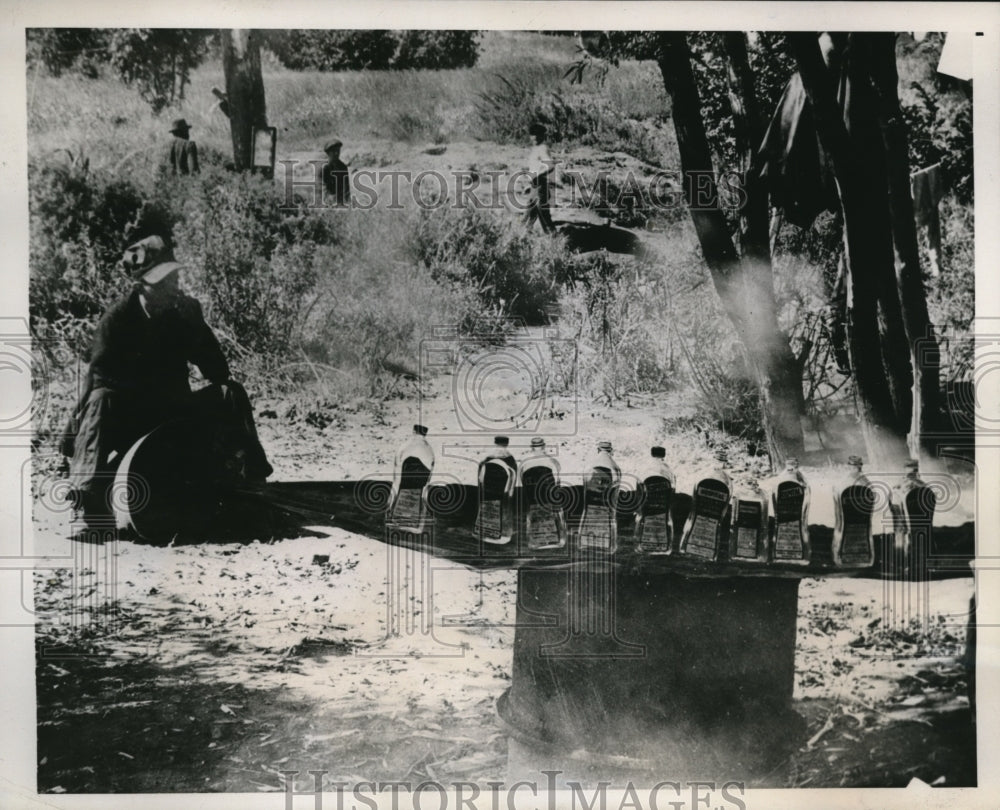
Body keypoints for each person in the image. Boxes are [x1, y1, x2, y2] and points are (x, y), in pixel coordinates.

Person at [63, 235, 272, 533]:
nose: (171, 288)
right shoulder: (117, 321)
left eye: (173, 278)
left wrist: (195, 326)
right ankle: (88, 506)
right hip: (132, 418)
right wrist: (72, 438)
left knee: (230, 393)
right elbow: (95, 385)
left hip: (175, 412)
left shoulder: (184, 312)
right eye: (161, 282)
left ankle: (253, 485)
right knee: (101, 399)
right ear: (140, 285)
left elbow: (217, 371)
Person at [524, 122, 556, 233]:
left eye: (538, 134)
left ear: (543, 135)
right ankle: (524, 239)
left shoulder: (542, 148)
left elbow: (550, 165)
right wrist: (529, 183)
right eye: (533, 134)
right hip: (534, 186)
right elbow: (534, 168)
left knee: (543, 216)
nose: (535, 137)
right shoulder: (535, 149)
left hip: (540, 186)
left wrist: (537, 176)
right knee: (530, 215)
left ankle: (555, 240)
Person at [322, 139, 350, 206]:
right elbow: (322, 187)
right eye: (334, 151)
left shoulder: (343, 167)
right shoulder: (325, 167)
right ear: (328, 153)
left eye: (338, 151)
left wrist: (347, 200)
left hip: (340, 199)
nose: (336, 153)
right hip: (327, 199)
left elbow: (346, 187)